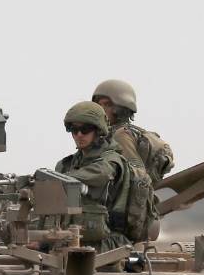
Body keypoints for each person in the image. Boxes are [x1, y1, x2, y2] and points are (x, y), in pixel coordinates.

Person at [34, 101, 131, 252]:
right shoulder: (66, 165)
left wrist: (52, 180)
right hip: (69, 241)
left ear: (98, 131)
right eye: (74, 130)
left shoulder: (111, 161)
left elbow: (99, 173)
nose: (79, 135)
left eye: (85, 129)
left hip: (108, 245)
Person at [91, 80, 174, 242]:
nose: (100, 110)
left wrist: (127, 223)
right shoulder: (110, 135)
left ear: (120, 108)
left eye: (106, 105)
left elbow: (136, 179)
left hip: (124, 222)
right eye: (98, 105)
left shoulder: (121, 135)